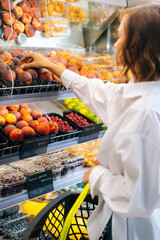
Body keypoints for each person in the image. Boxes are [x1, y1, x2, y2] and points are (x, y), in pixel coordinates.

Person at [20, 3, 160, 240]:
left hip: (135, 230)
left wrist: (96, 174)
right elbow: (101, 92)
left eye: (120, 36)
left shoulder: (147, 111)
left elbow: (139, 198)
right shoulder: (141, 94)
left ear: (135, 47)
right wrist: (53, 67)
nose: (115, 44)